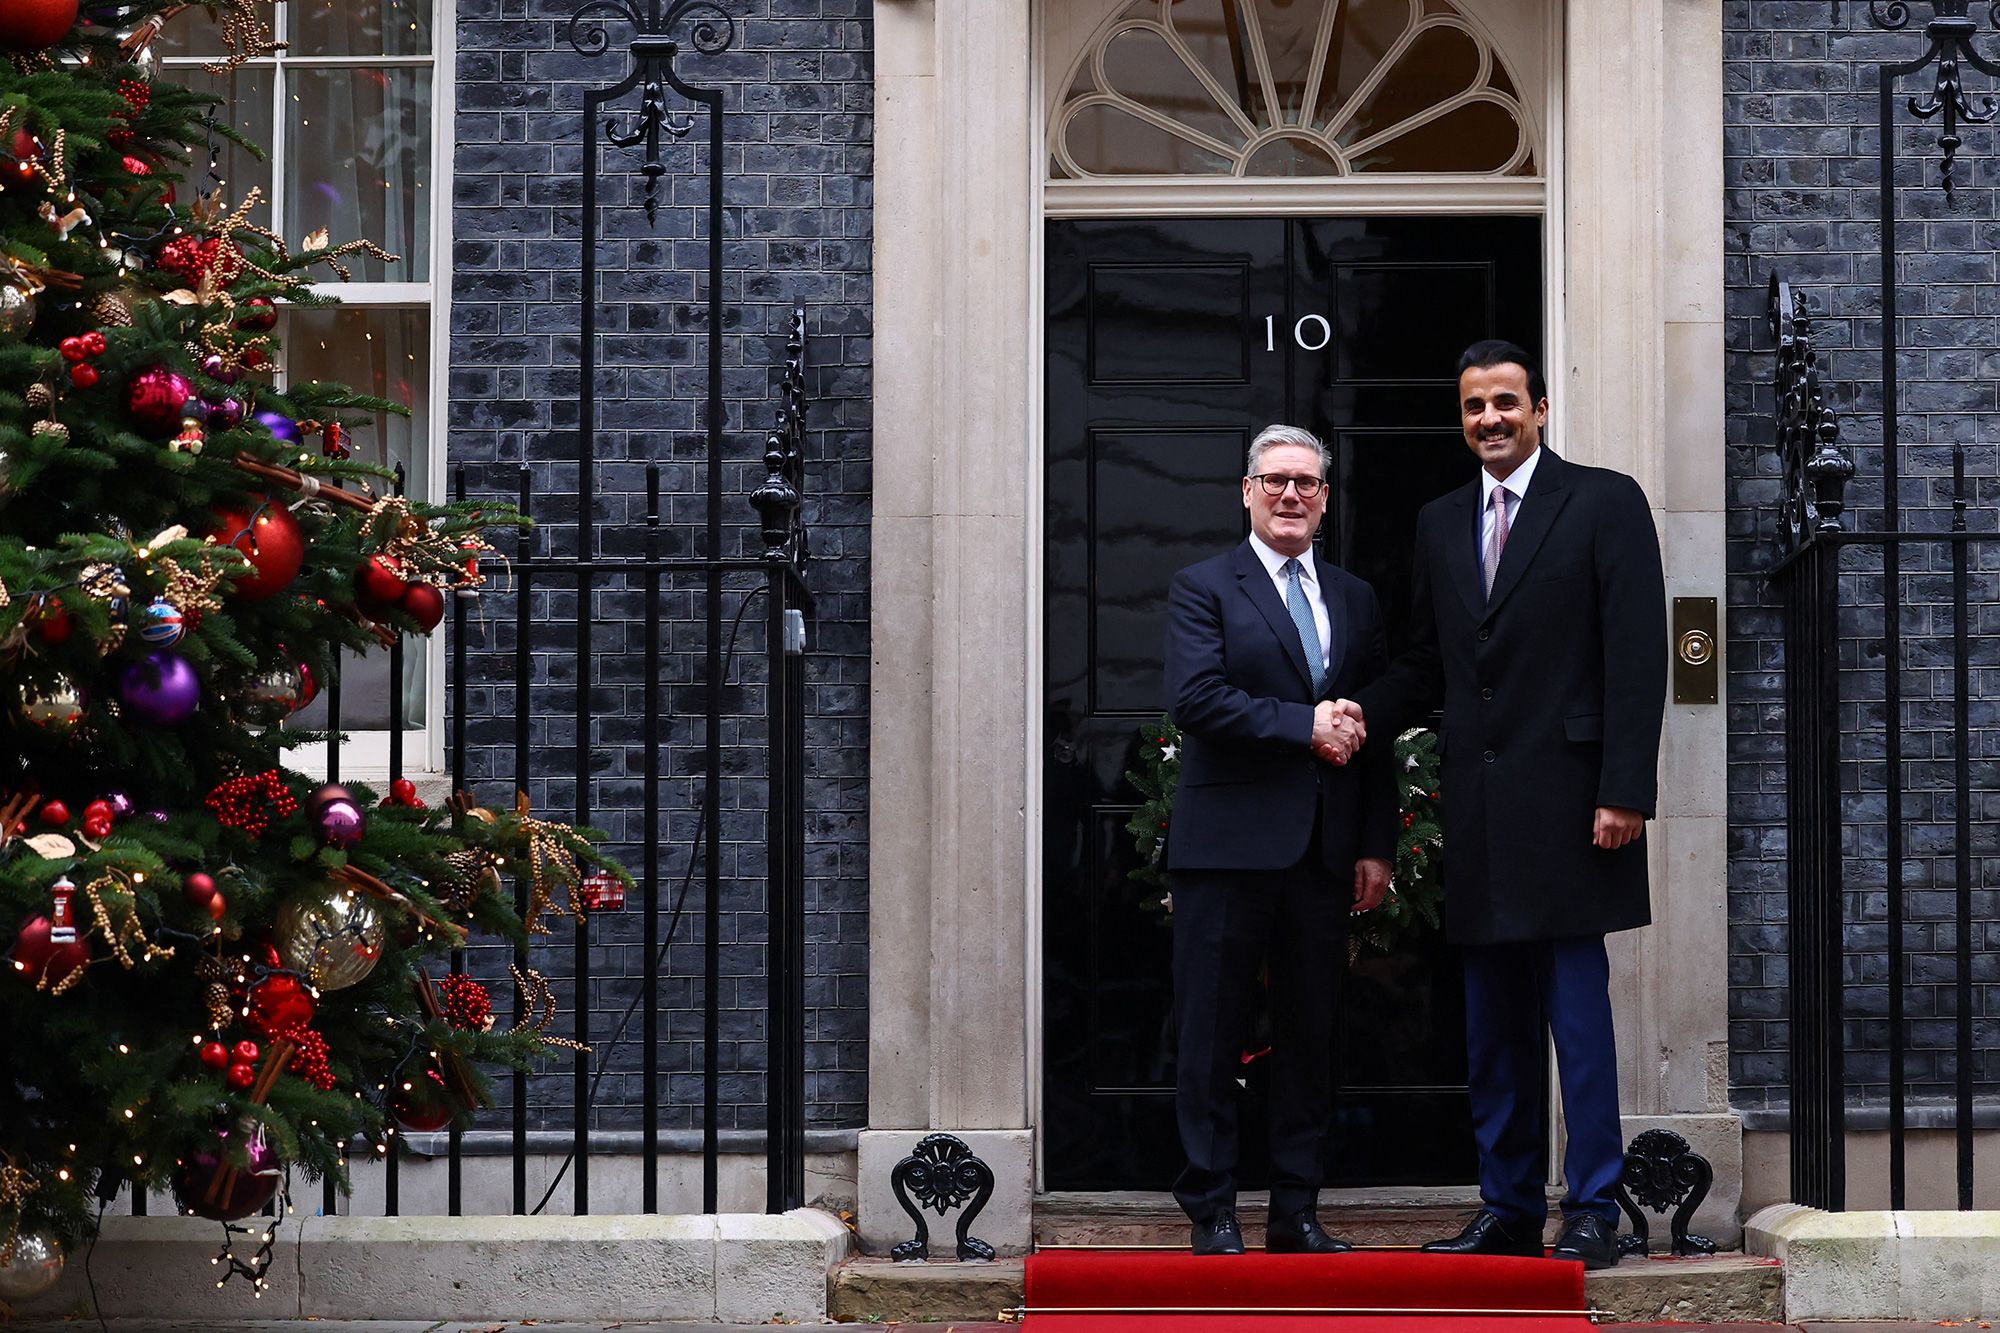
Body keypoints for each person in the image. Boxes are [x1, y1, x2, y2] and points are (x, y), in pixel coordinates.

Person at [1323, 341, 1667, 1270]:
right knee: (1492, 1032)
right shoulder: (1440, 521)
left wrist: (1625, 789)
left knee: (1577, 1023)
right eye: (1474, 407)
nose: (1490, 420)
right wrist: (1360, 709)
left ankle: (1594, 1205)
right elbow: (1432, 660)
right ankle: (1509, 1206)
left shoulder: (1604, 501)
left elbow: (1638, 653)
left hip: (1574, 808)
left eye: (1506, 403)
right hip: (1478, 810)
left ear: (1541, 409)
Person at [1163, 423, 1396, 1257]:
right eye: (1275, 481)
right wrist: (1306, 725)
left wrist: (1376, 843)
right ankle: (1212, 1206)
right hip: (1226, 848)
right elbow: (1197, 698)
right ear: (1247, 491)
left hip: (1324, 852)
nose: (1290, 494)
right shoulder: (1204, 587)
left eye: (1305, 482)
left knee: (1309, 1036)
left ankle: (1296, 1209)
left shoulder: (1355, 596)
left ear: (1325, 498)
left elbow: (1369, 726)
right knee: (1211, 1032)